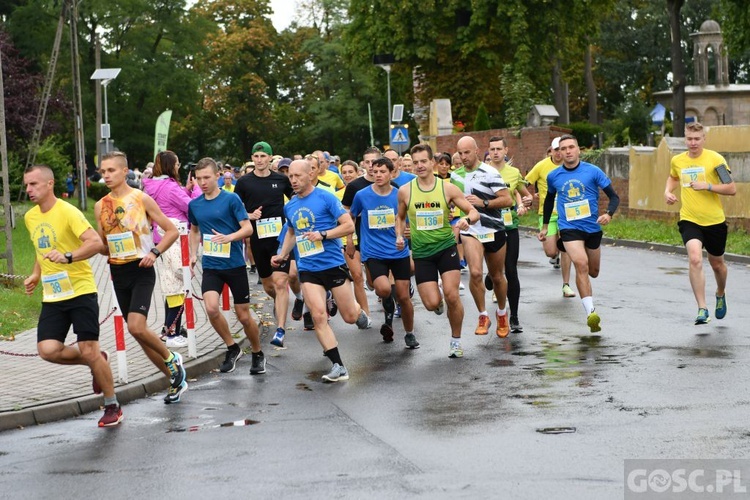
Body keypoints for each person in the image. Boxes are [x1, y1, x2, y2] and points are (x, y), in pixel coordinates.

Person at [23, 165, 122, 427]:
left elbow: (95, 243)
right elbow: (41, 248)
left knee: (89, 348)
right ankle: (97, 362)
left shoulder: (68, 212)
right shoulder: (31, 217)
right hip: (54, 295)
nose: (29, 190)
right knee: (48, 350)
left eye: (33, 184)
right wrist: (36, 274)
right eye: (26, 185)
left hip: (80, 290)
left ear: (49, 184)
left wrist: (68, 257)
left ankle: (112, 405)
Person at [94, 151, 187, 404]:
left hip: (141, 269)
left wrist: (155, 252)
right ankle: (173, 378)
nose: (106, 175)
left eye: (111, 170)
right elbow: (103, 245)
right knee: (139, 333)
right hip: (117, 271)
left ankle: (172, 359)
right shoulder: (100, 206)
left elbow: (170, 231)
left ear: (125, 171)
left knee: (136, 326)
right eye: (103, 172)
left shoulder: (142, 198)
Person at [271, 159, 371, 382]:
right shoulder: (290, 205)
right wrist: (283, 254)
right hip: (308, 268)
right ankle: (338, 366)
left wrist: (323, 235)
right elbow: (291, 232)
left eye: (298, 176)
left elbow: (348, 225)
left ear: (310, 175)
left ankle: (358, 312)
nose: (294, 180)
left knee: (349, 316)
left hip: (332, 264)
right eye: (291, 177)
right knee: (318, 315)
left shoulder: (326, 197)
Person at [397, 144, 479, 358]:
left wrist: (465, 219)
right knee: (432, 303)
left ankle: (456, 340)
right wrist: (399, 235)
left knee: (452, 295)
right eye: (415, 163)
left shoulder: (447, 188)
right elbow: (400, 217)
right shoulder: (406, 191)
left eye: (423, 161)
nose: (419, 166)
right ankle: (439, 302)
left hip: (446, 248)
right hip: (422, 253)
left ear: (432, 162)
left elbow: (473, 211)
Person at [188, 157, 264, 374]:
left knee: (243, 316)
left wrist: (229, 238)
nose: (202, 182)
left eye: (207, 177)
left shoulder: (231, 200)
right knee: (211, 308)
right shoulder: (194, 204)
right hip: (211, 265)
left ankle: (257, 352)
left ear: (218, 176)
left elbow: (247, 229)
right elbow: (194, 230)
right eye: (198, 178)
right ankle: (232, 347)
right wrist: (194, 253)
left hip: (234, 265)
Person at [539, 134, 619, 333]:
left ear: (578, 150)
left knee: (593, 271)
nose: (567, 151)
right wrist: (545, 226)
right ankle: (591, 313)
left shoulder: (593, 171)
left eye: (570, 147)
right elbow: (549, 201)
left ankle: (588, 301)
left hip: (592, 228)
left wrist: (608, 214)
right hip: (569, 228)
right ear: (558, 152)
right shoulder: (554, 176)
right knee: (580, 264)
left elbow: (614, 196)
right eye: (563, 148)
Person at [664, 121, 736, 324]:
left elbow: (731, 188)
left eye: (697, 139)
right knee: (695, 258)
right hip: (689, 219)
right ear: (684, 139)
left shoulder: (715, 160)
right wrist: (668, 191)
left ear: (704, 139)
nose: (693, 143)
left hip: (714, 221)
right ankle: (702, 308)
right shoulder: (678, 160)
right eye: (689, 139)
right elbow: (673, 177)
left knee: (717, 264)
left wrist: (708, 186)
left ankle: (720, 293)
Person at [234, 141, 296, 347]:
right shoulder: (244, 182)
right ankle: (282, 302)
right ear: (252, 158)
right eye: (256, 156)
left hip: (280, 238)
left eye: (263, 156)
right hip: (258, 240)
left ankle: (280, 329)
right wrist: (249, 215)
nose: (259, 160)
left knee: (281, 282)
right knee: (269, 285)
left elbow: (296, 201)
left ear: (270, 158)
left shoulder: (281, 179)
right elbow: (234, 208)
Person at [350, 157, 417, 348]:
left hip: (398, 250)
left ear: (391, 173)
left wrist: (408, 231)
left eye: (382, 172)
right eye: (375, 171)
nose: (378, 175)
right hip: (374, 251)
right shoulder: (362, 195)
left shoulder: (400, 194)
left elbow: (407, 219)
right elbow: (351, 216)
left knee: (404, 297)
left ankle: (409, 333)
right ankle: (388, 309)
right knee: (383, 288)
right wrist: (349, 240)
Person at [451, 136, 514, 338]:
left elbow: (507, 199)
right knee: (476, 273)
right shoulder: (455, 176)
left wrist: (483, 203)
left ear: (477, 151)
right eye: (460, 153)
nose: (463, 157)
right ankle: (483, 314)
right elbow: (450, 203)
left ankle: (502, 313)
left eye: (467, 152)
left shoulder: (490, 172)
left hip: (494, 228)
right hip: (471, 230)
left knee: (497, 276)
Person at [142, 150, 197, 348]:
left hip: (160, 237)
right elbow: (190, 207)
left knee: (170, 281)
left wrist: (186, 190)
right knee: (179, 283)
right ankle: (171, 332)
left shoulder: (152, 186)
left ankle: (170, 328)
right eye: (177, 164)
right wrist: (196, 192)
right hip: (176, 238)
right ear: (171, 166)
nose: (179, 167)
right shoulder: (171, 188)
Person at [486, 136, 533, 333]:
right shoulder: (483, 172)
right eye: (492, 149)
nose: (495, 152)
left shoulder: (513, 173)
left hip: (509, 226)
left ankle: (513, 316)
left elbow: (525, 193)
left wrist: (525, 203)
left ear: (506, 150)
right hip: (488, 227)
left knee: (511, 270)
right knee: (496, 271)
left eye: (499, 148)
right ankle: (491, 274)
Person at [526, 137, 576, 298]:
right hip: (547, 214)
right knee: (550, 251)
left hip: (567, 214)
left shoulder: (570, 166)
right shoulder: (541, 166)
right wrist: (525, 197)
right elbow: (524, 182)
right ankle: (555, 257)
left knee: (565, 247)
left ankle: (566, 285)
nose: (559, 153)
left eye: (561, 149)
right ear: (552, 150)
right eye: (556, 150)